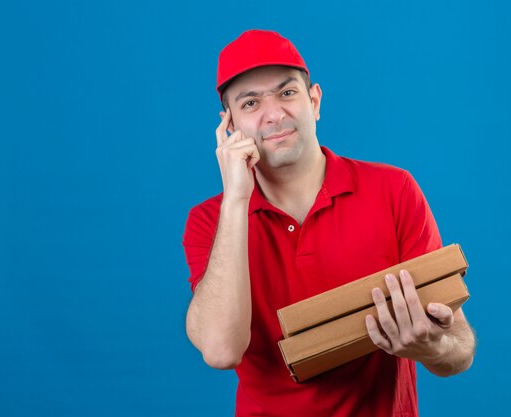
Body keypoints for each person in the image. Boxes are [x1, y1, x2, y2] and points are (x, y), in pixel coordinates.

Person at [183, 29, 476, 417]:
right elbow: (221, 351)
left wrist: (431, 347)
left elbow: (459, 349)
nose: (274, 114)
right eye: (251, 103)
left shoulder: (394, 190)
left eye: (287, 93)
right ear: (230, 125)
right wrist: (237, 199)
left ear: (315, 101)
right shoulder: (210, 221)